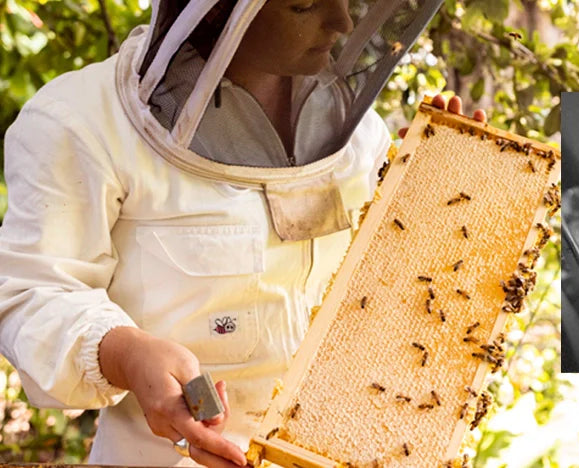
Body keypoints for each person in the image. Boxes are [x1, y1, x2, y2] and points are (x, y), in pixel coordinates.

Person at [0, 0, 486, 466]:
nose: (341, 21)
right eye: (303, 5)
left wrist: (436, 189)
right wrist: (126, 353)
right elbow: (33, 294)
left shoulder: (353, 128)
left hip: (355, 448)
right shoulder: (80, 121)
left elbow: (386, 290)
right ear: (217, 11)